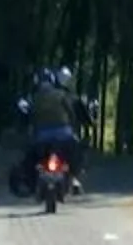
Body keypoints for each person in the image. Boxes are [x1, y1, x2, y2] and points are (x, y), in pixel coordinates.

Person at [8, 67, 90, 195]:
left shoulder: (33, 98)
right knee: (76, 152)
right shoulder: (61, 94)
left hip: (41, 137)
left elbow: (29, 116)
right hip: (64, 134)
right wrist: (72, 124)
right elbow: (71, 112)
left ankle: (33, 183)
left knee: (30, 158)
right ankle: (74, 178)